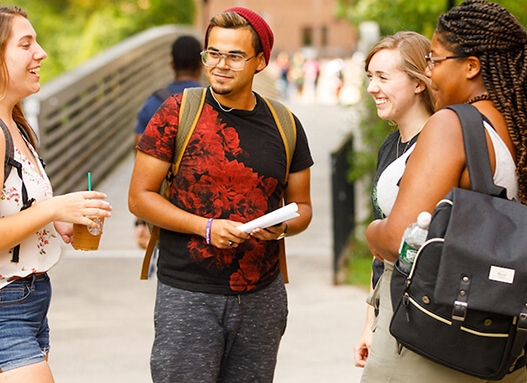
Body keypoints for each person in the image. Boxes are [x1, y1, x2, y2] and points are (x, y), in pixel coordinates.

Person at [128, 7, 313, 382]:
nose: (220, 65)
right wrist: (205, 227)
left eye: (234, 56)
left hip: (263, 296)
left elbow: (303, 207)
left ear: (260, 61)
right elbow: (139, 197)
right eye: (212, 53)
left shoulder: (286, 124)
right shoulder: (178, 112)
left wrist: (280, 229)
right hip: (187, 294)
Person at [0, 6, 112, 383]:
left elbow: (8, 213)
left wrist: (58, 221)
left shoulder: (15, 126)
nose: (41, 53)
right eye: (26, 44)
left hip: (20, 304)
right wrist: (51, 208)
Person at [362, 1, 527, 382]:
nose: (429, 72)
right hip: (503, 340)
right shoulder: (518, 128)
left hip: (432, 335)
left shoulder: (452, 125)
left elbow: (399, 237)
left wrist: (372, 232)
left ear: (471, 66)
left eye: (435, 60)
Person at [352, 31, 435, 368]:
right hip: (389, 301)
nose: (372, 87)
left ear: (418, 82)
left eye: (383, 77)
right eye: (371, 77)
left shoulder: (437, 145)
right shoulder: (389, 146)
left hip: (425, 310)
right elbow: (379, 256)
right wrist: (370, 325)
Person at [133, 35, 204, 250]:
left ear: (172, 64)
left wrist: (140, 220)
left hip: (163, 209)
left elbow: (140, 162)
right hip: (207, 211)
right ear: (201, 64)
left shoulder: (153, 103)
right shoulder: (214, 102)